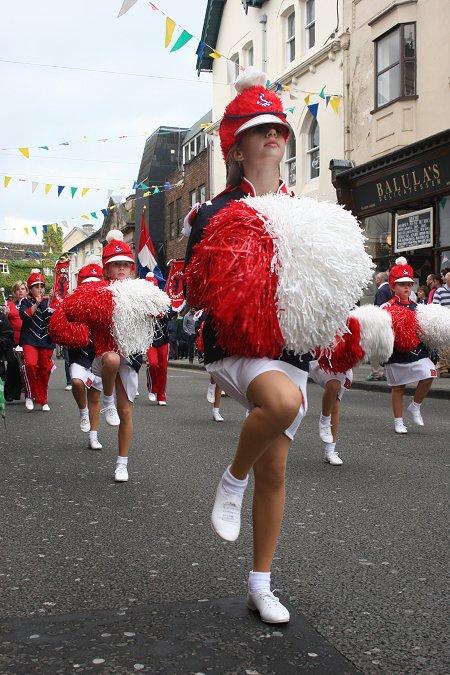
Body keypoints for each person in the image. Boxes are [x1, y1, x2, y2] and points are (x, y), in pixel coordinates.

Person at [184, 68, 372, 624]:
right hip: (235, 348)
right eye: (262, 128)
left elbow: (324, 288)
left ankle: (260, 584)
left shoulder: (308, 212)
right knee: (285, 406)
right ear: (237, 147)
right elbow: (198, 289)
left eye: (280, 129)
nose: (275, 136)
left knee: (278, 471)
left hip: (288, 352)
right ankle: (230, 478)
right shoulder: (215, 211)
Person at [64, 230, 169, 482]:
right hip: (104, 354)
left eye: (125, 264)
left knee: (127, 412)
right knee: (111, 359)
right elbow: (72, 310)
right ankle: (107, 400)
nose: (121, 269)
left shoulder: (141, 289)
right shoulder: (99, 291)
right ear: (107, 270)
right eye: (115, 265)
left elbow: (161, 311)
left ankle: (122, 463)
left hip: (130, 355)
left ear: (131, 268)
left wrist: (151, 303)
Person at [50, 257, 105, 449]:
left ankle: (93, 436)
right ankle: (83, 412)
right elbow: (58, 321)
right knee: (76, 381)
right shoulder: (72, 303)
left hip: (99, 351)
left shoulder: (107, 301)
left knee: (96, 397)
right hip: (79, 351)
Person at [382, 257, 436, 434]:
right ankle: (398, 421)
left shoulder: (418, 307)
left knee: (430, 373)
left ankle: (415, 406)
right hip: (396, 353)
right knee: (398, 388)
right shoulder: (385, 307)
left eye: (409, 284)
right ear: (393, 287)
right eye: (401, 284)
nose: (406, 287)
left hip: (417, 352)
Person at [19, 270, 55, 411]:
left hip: (46, 339)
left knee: (45, 369)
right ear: (30, 289)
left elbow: (51, 319)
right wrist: (36, 304)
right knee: (31, 365)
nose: (40, 289)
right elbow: (25, 316)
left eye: (42, 286)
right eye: (36, 286)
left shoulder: (48, 302)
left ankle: (43, 399)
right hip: (29, 338)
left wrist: (53, 301)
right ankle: (29, 395)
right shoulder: (25, 302)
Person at [309, 360, 352, 466]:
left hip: (343, 362)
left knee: (334, 403)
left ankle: (330, 451)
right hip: (319, 358)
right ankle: (324, 418)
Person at [145, 273, 169, 405]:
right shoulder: (141, 302)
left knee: (163, 368)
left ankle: (161, 395)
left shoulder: (163, 299)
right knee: (153, 364)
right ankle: (153, 388)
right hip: (149, 340)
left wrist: (163, 314)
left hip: (163, 339)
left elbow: (172, 313)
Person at [4, 280, 27, 402]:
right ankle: (10, 393)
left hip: (27, 339)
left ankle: (29, 391)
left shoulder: (30, 303)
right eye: (18, 289)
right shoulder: (9, 304)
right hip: (13, 340)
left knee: (27, 366)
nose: (20, 291)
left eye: (23, 289)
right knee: (13, 365)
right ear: (14, 292)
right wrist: (5, 314)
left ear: (26, 291)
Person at [366, 271, 392, 381]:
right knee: (386, 348)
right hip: (388, 323)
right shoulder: (389, 289)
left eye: (376, 278)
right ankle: (386, 373)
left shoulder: (381, 290)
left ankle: (375, 372)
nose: (375, 280)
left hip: (380, 324)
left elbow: (381, 307)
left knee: (374, 348)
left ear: (379, 280)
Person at [432, 271, 450, 377]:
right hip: (445, 321)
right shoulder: (440, 291)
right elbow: (435, 306)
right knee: (445, 346)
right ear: (446, 280)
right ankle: (443, 369)